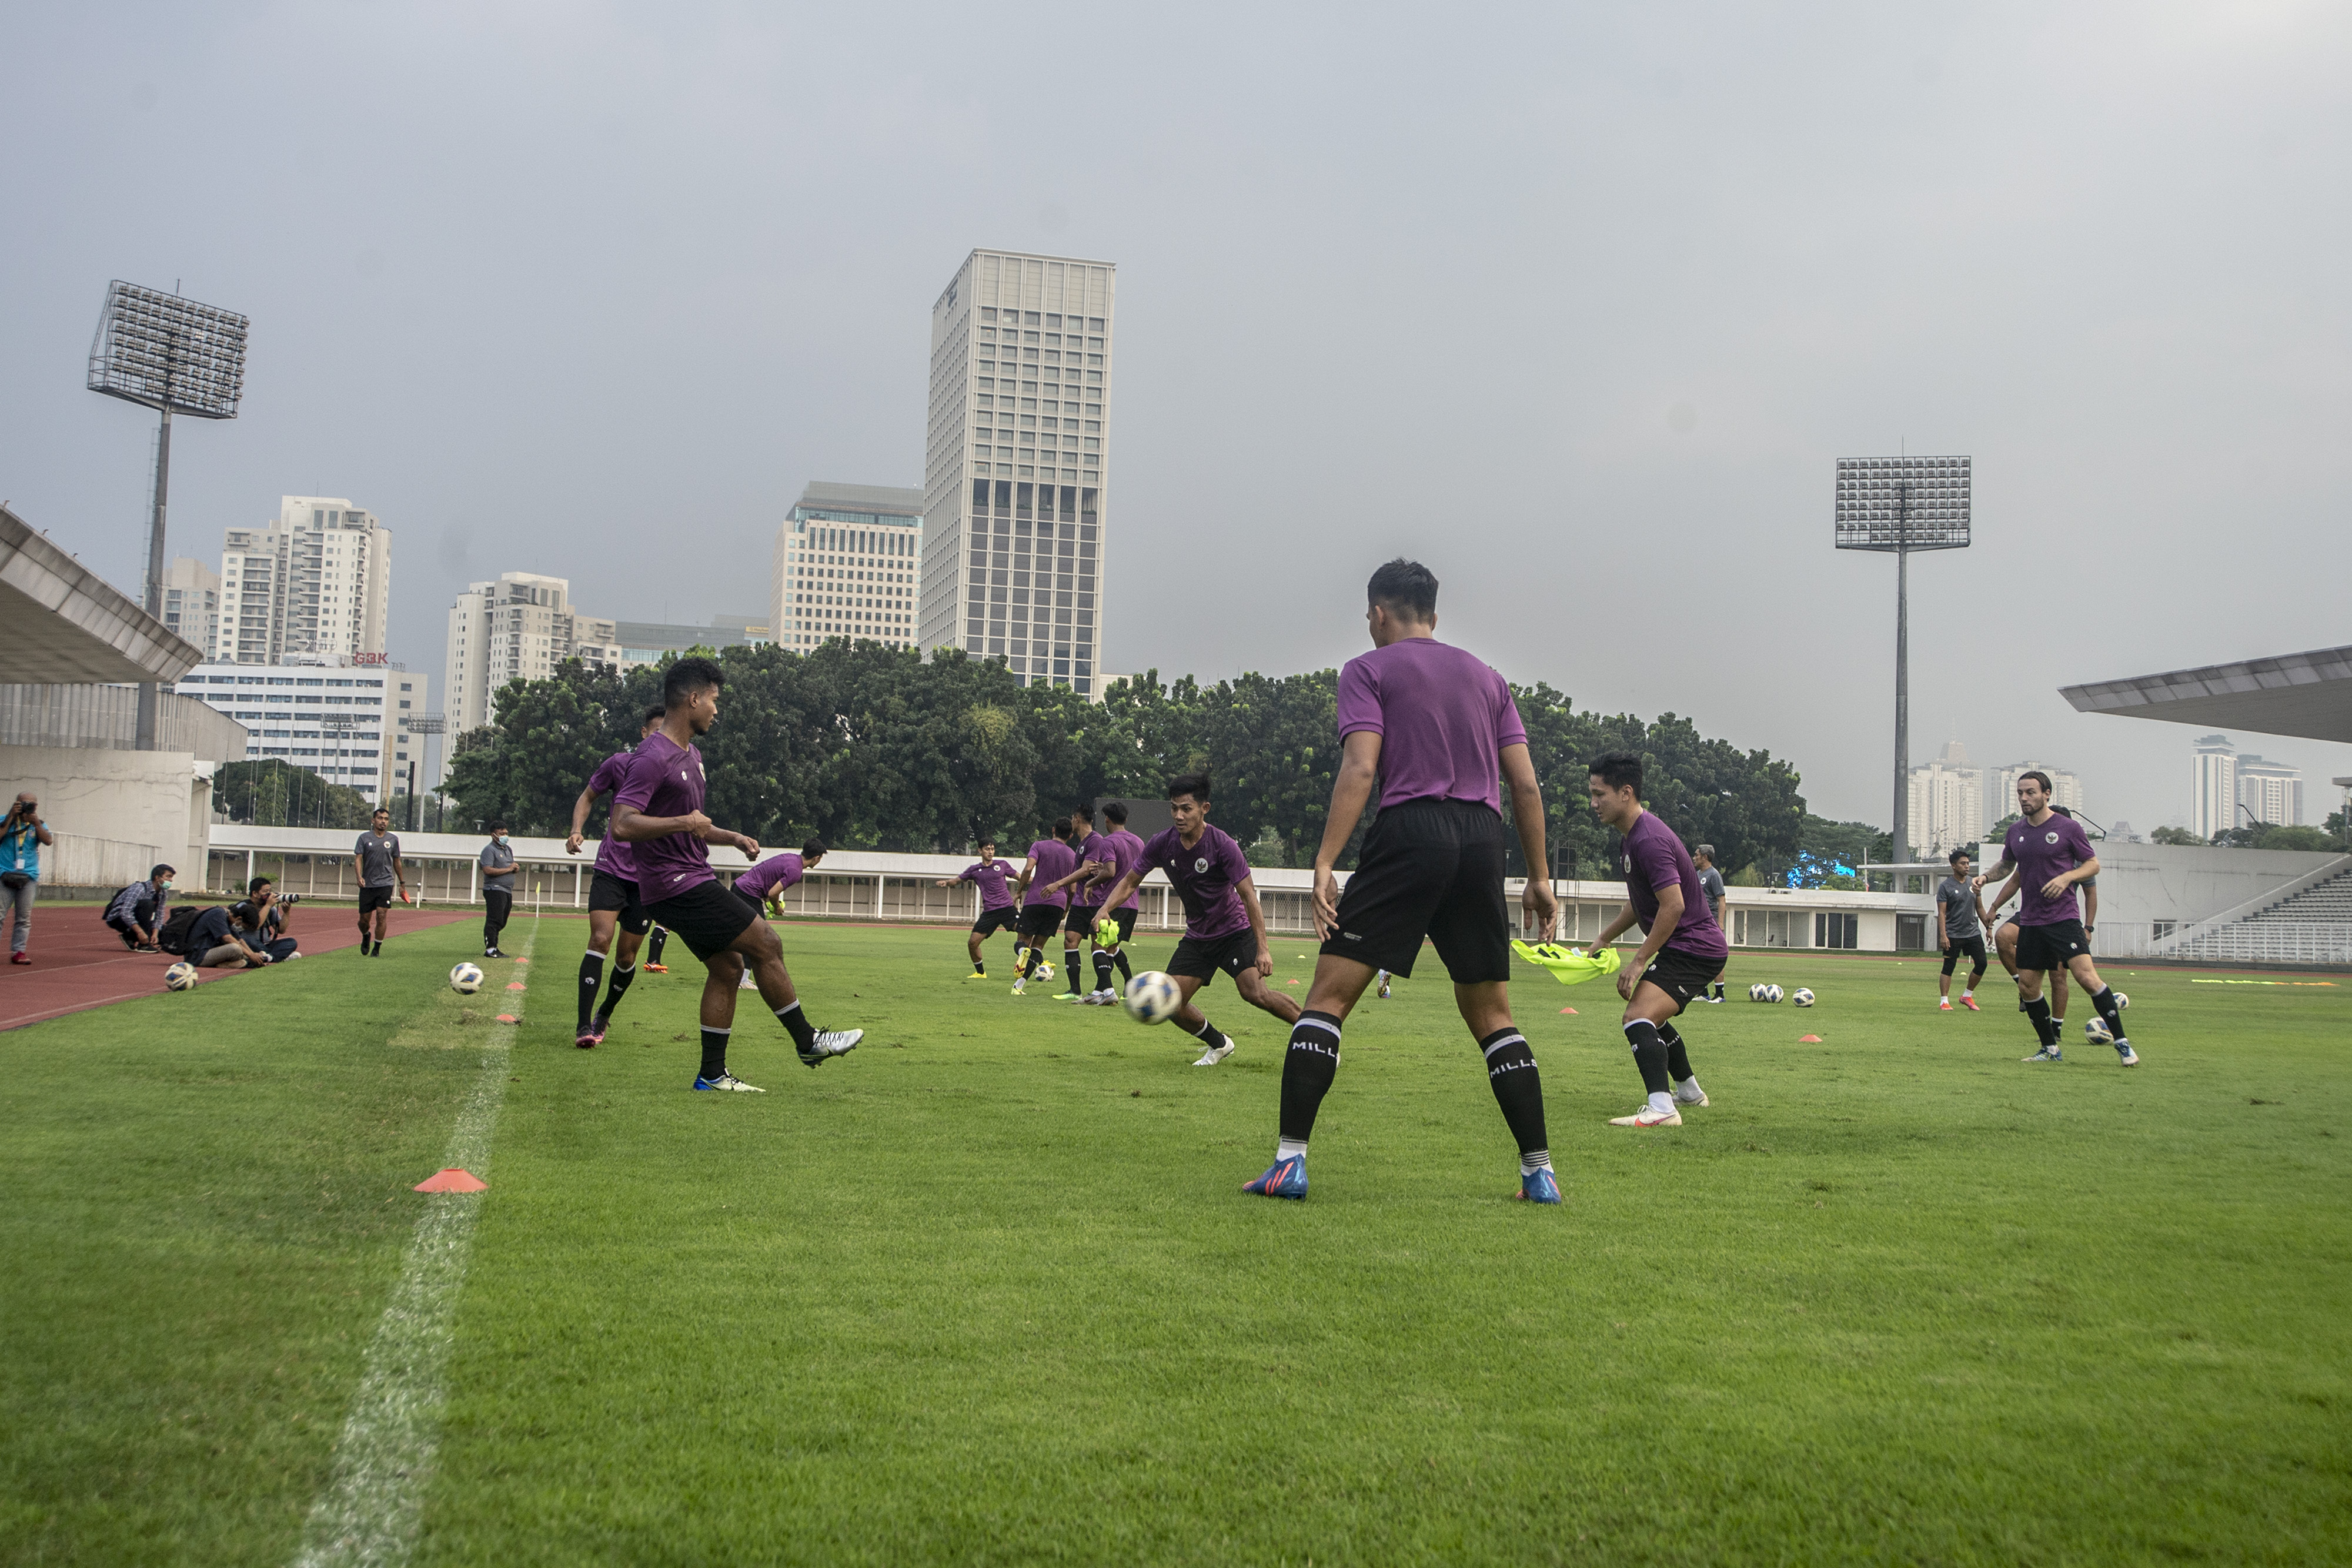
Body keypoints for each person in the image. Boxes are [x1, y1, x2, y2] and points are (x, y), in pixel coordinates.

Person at [1249, 559, 1560, 1203]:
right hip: (1481, 838)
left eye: (1369, 616)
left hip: (1410, 832)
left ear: (1378, 613)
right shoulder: (1487, 676)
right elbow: (1525, 785)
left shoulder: (1366, 670)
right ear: (1435, 616)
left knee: (1328, 999)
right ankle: (1539, 1173)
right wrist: (1538, 877)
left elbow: (1360, 769)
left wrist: (1326, 861)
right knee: (1493, 1013)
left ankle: (1289, 1163)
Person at [610, 656, 861, 1091]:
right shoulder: (652, 756)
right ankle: (809, 1041)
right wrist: (684, 823)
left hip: (689, 875)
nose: (716, 709)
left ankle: (711, 1076)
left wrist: (732, 837)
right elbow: (622, 823)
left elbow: (695, 823)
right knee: (767, 941)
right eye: (713, 699)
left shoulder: (692, 755)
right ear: (692, 699)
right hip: (675, 883)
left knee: (727, 969)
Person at [1088, 773, 1301, 1065]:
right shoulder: (1162, 843)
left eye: (1186, 808)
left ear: (1204, 809)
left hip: (1234, 932)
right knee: (1171, 1003)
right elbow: (1129, 881)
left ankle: (1316, 1034)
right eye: (1174, 808)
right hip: (1198, 937)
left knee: (1254, 994)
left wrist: (1263, 948)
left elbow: (1249, 896)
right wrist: (1105, 909)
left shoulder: (1223, 845)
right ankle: (1220, 1044)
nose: (1178, 815)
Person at [1588, 751, 1725, 1129]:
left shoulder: (1647, 840)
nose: (1593, 803)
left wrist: (1638, 961)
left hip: (1694, 949)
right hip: (1688, 947)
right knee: (1654, 1017)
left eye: (1600, 794)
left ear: (1626, 793)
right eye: (1592, 794)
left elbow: (1673, 906)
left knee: (1637, 1016)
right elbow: (1640, 902)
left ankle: (1662, 1107)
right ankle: (1690, 1091)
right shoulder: (1631, 839)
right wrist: (1604, 937)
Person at [1979, 774, 2138, 1066]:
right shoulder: (2016, 831)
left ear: (2046, 794)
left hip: (2063, 919)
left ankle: (2123, 1044)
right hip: (2031, 920)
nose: (2024, 798)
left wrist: (2067, 877)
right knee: (2028, 986)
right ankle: (2050, 1049)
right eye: (2020, 793)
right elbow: (2008, 865)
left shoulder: (2068, 828)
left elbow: (2093, 864)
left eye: (2030, 792)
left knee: (2087, 979)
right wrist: (1987, 877)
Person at [567, 707, 666, 1047]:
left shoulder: (673, 772)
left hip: (647, 880)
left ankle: (604, 1014)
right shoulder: (619, 764)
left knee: (626, 958)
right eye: (656, 733)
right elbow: (588, 795)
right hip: (610, 869)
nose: (660, 740)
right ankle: (583, 1026)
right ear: (643, 733)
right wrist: (577, 830)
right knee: (600, 940)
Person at [1043, 804, 1120, 1003]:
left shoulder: (1095, 841)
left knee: (1098, 946)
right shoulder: (1082, 843)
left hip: (1096, 902)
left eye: (1072, 817)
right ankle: (1075, 990)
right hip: (1080, 903)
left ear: (1077, 819)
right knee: (1070, 939)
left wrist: (1058, 884)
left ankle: (1106, 991)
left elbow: (1086, 870)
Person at [730, 840, 826, 986]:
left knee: (746, 936)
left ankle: (737, 975)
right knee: (759, 937)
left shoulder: (790, 858)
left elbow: (767, 877)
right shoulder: (795, 871)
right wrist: (776, 908)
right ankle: (742, 980)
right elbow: (773, 893)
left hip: (741, 887)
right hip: (747, 893)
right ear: (817, 858)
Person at [1006, 818, 1077, 996]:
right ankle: (1019, 986)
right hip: (1057, 904)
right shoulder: (1073, 855)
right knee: (1038, 947)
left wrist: (1020, 891)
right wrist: (1066, 909)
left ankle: (1023, 951)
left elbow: (1029, 869)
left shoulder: (1039, 846)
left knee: (1022, 941)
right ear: (1070, 835)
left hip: (1035, 899)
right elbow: (1073, 889)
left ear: (1053, 829)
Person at [937, 838, 1019, 978]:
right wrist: (947, 882)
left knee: (1026, 931)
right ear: (980, 851)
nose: (991, 852)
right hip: (990, 912)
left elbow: (1021, 877)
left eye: (993, 849)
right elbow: (957, 881)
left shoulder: (1002, 865)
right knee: (973, 943)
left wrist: (1039, 881)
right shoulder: (974, 870)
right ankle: (980, 973)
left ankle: (1039, 962)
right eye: (987, 849)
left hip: (1007, 909)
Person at [1, 791, 55, 965]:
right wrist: (11, 816)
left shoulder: (38, 824)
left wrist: (35, 822)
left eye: (30, 804)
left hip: (28, 876)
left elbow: (48, 841)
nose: (26, 807)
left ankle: (19, 951)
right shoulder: (5, 819)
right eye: (23, 803)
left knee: (23, 918)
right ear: (16, 803)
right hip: (4, 873)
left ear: (36, 807)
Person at [350, 807, 410, 957]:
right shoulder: (364, 838)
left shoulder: (392, 840)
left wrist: (402, 883)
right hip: (368, 884)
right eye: (380, 818)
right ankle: (366, 935)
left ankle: (377, 948)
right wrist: (359, 877)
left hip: (386, 883)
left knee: (382, 915)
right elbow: (358, 859)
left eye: (386, 819)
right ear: (373, 821)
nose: (383, 821)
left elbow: (397, 862)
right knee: (364, 920)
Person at [1935, 848, 1987, 1012]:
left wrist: (1989, 928)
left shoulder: (1974, 884)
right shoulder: (1946, 887)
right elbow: (1942, 913)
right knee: (1949, 967)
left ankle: (1967, 996)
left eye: (1968, 863)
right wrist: (1943, 936)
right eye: (1963, 864)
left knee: (1982, 964)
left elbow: (1979, 908)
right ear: (1954, 866)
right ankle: (1944, 1001)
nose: (1967, 867)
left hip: (1972, 932)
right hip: (1953, 934)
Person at [188, 898, 278, 969]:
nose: (241, 929)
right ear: (239, 919)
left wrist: (253, 955)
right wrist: (250, 955)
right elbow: (228, 938)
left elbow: (240, 940)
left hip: (211, 952)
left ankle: (238, 963)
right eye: (243, 927)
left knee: (243, 950)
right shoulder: (218, 914)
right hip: (198, 956)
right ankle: (244, 963)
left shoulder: (229, 920)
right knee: (235, 948)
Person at [104, 864, 176, 951]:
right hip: (119, 919)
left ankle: (129, 937)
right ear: (157, 878)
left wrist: (155, 934)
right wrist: (140, 932)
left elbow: (159, 915)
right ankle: (143, 945)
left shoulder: (163, 893)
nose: (171, 880)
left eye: (171, 877)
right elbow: (126, 912)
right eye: (168, 877)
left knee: (165, 933)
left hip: (140, 918)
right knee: (147, 904)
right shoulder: (140, 888)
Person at [229, 877, 301, 962]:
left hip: (266, 944)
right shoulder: (243, 907)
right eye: (265, 892)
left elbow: (281, 930)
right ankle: (278, 956)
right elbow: (256, 925)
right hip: (248, 944)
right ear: (255, 893)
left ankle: (268, 957)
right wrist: (267, 906)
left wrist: (286, 913)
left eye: (269, 891)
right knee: (248, 939)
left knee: (291, 942)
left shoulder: (271, 909)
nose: (269, 895)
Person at [1692, 844, 1730, 1002]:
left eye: (1697, 855)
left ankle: (1720, 994)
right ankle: (1703, 993)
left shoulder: (1713, 875)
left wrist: (1720, 923)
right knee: (1698, 956)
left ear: (1705, 857)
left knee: (1714, 956)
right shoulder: (1697, 874)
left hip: (1711, 921)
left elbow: (1721, 900)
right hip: (1697, 922)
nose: (1694, 858)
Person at [479, 824, 517, 958]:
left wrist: (514, 869)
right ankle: (491, 948)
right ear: (493, 835)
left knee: (502, 920)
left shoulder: (508, 850)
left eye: (506, 833)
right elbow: (487, 870)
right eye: (501, 834)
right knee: (494, 919)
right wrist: (508, 869)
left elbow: (509, 866)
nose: (505, 836)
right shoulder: (489, 850)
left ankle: (495, 946)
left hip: (507, 890)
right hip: (494, 889)